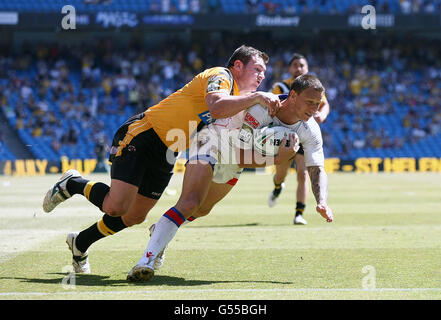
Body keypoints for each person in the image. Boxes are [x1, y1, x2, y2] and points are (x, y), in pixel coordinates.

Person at [42, 45, 281, 274]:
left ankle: (80, 242)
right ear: (238, 65)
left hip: (169, 152)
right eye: (257, 69)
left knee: (134, 216)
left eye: (264, 72)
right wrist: (258, 97)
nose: (261, 76)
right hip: (145, 134)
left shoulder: (241, 97)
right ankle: (72, 183)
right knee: (116, 206)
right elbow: (216, 106)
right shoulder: (222, 75)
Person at [127, 74, 333, 282]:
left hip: (235, 161)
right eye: (310, 102)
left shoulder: (311, 129)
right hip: (213, 141)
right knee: (189, 203)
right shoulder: (263, 108)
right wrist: (278, 158)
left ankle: (161, 230)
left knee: (202, 210)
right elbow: (238, 153)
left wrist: (322, 201)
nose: (314, 109)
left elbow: (317, 169)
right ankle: (145, 261)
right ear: (294, 95)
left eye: (317, 104)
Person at [268, 53, 330, 225]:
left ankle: (299, 213)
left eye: (302, 65)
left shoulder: (313, 88)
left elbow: (325, 104)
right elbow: (272, 104)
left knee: (303, 173)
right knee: (281, 174)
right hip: (282, 134)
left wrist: (322, 116)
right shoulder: (280, 86)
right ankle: (278, 186)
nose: (299, 68)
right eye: (295, 65)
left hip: (303, 134)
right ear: (290, 68)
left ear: (307, 68)